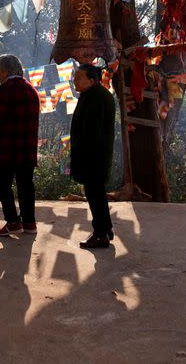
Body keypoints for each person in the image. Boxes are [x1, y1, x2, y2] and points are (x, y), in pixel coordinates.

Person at [0, 54, 40, 237]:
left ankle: (12, 222)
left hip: (8, 147)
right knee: (26, 184)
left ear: (5, 70)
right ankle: (29, 222)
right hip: (27, 148)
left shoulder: (5, 89)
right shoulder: (31, 89)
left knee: (2, 182)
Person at [70, 63, 116, 249]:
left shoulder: (97, 98)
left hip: (93, 156)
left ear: (92, 79)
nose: (75, 81)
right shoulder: (92, 95)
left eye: (79, 78)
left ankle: (100, 234)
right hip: (93, 155)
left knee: (94, 194)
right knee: (96, 194)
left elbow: (92, 132)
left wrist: (83, 157)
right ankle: (106, 227)